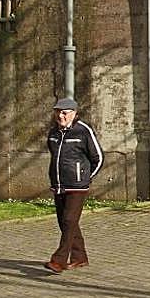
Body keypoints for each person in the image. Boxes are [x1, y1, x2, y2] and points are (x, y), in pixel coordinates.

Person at [45, 97, 103, 273]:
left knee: (69, 220)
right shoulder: (53, 132)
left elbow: (98, 158)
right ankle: (79, 257)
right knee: (66, 222)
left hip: (77, 186)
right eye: (57, 112)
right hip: (59, 184)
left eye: (64, 113)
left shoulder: (83, 131)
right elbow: (54, 156)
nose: (60, 116)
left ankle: (59, 260)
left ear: (74, 114)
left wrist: (85, 177)